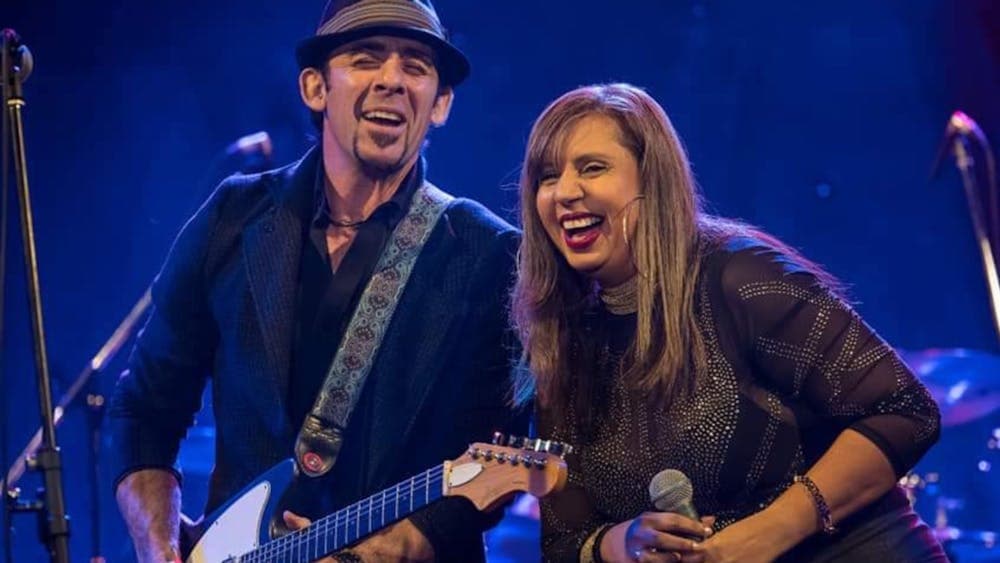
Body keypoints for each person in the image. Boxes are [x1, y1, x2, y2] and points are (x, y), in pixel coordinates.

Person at [109, 1, 523, 562]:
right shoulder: (234, 217)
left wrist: (385, 550)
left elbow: (492, 452)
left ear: (441, 103)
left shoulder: (486, 251)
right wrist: (159, 546)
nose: (392, 81)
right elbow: (145, 409)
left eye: (417, 66)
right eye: (366, 58)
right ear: (315, 87)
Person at [512, 83, 946, 562]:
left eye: (592, 168)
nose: (565, 193)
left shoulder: (740, 277)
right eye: (547, 177)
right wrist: (623, 543)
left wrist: (772, 531)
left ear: (650, 179)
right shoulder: (561, 341)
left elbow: (906, 411)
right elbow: (563, 542)